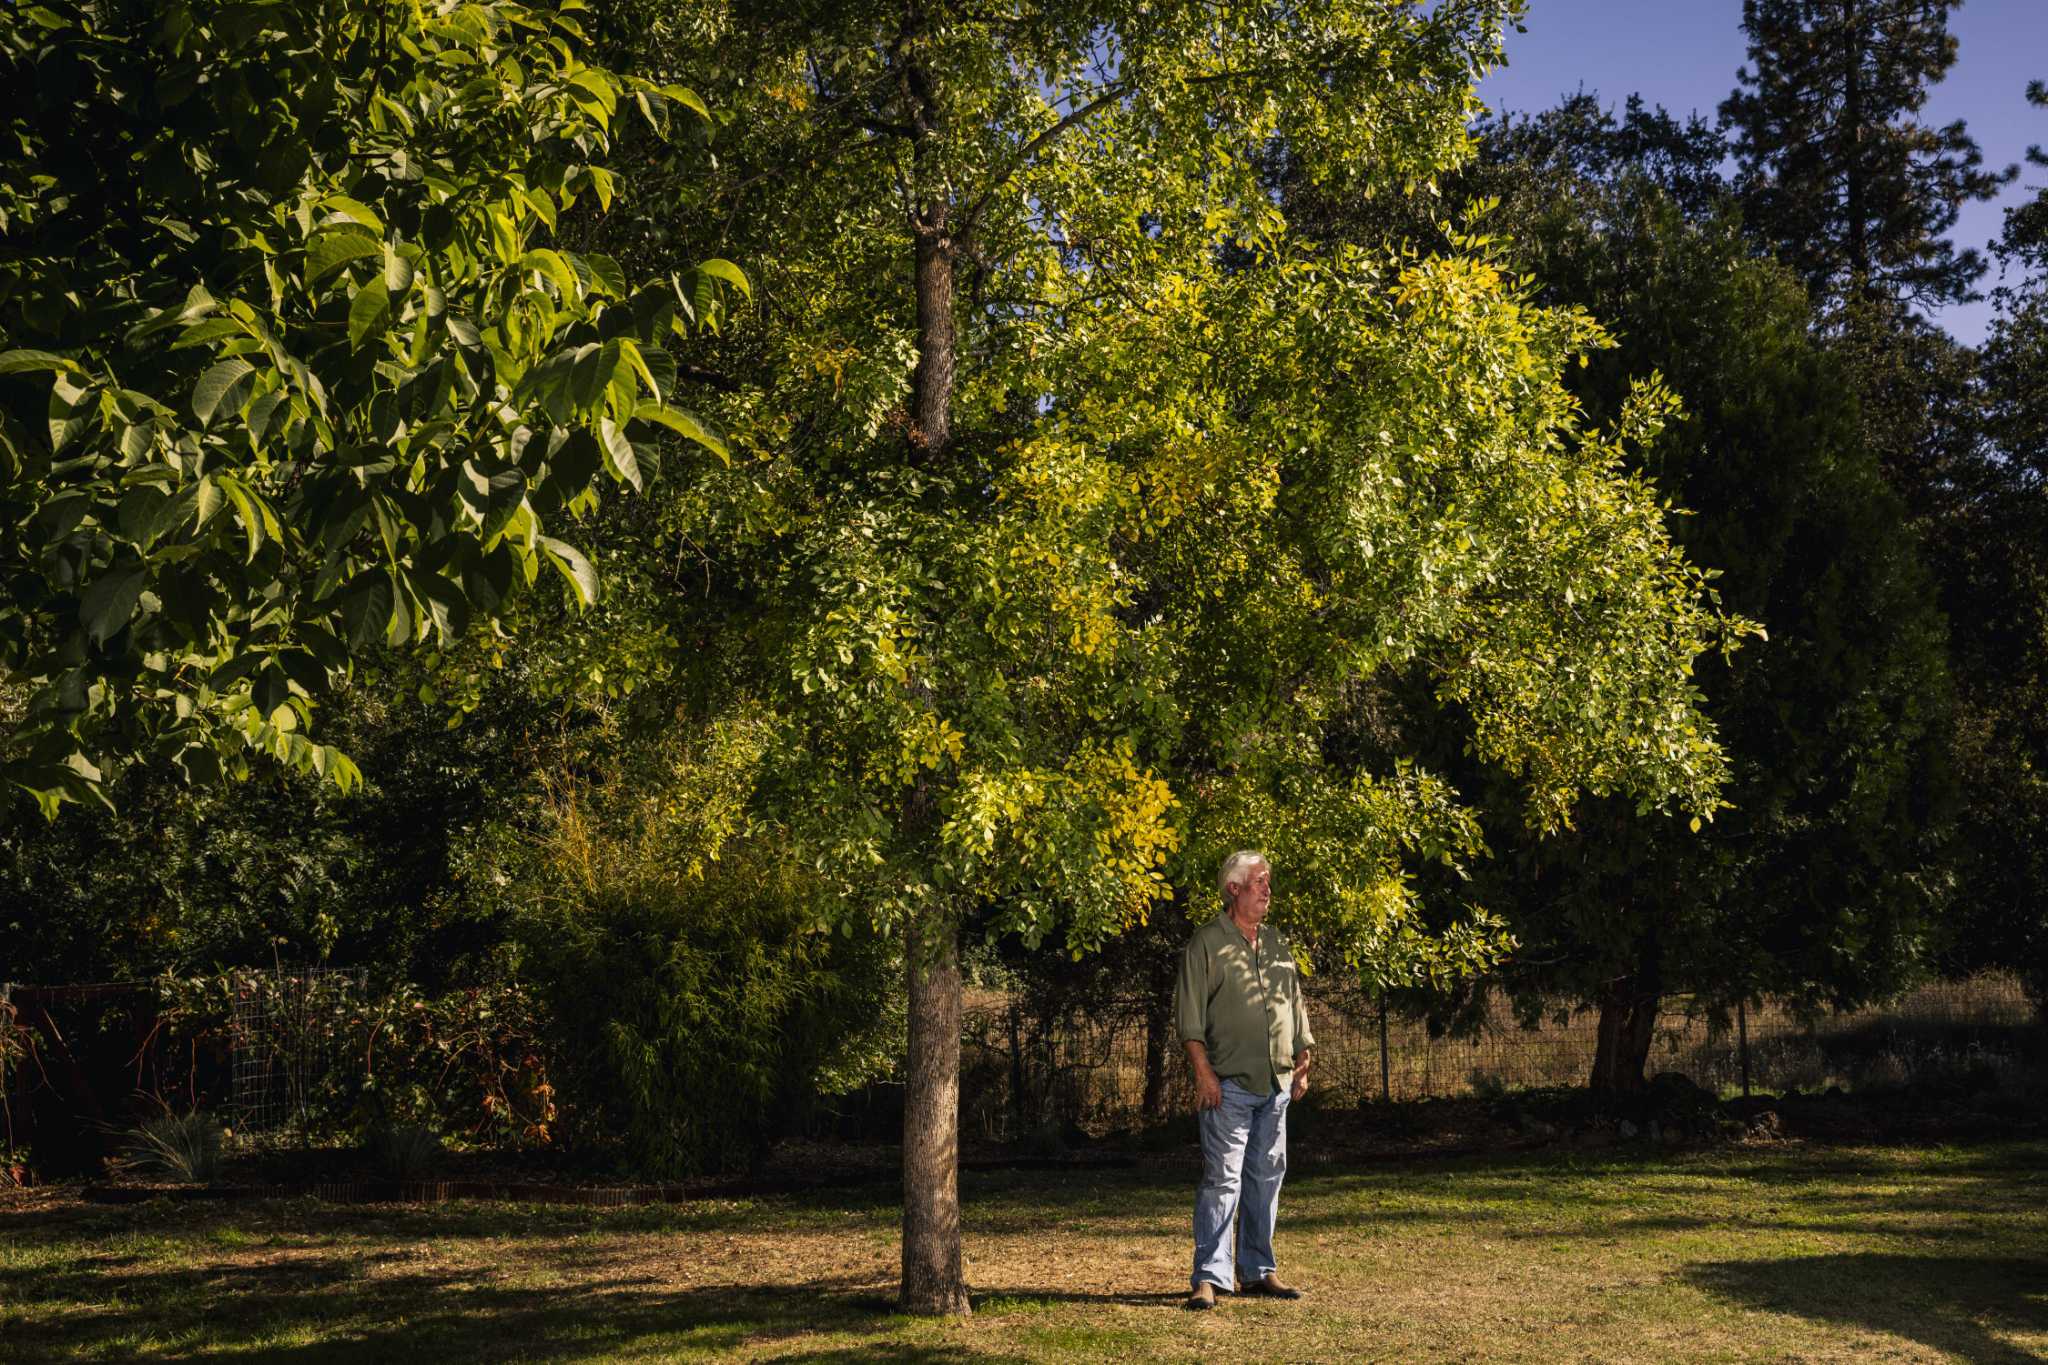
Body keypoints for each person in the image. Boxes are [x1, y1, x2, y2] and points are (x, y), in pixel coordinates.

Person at [1173, 849, 1314, 1311]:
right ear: (1234, 889)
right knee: (1222, 1182)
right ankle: (1209, 1278)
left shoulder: (1276, 943)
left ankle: (1258, 1270)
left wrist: (1303, 1052)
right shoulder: (1206, 944)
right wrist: (1203, 1074)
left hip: (1276, 1084)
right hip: (1227, 1084)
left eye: (1268, 882)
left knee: (1266, 1178)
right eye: (1259, 882)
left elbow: (1293, 1002)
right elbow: (1189, 1020)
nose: (1267, 890)